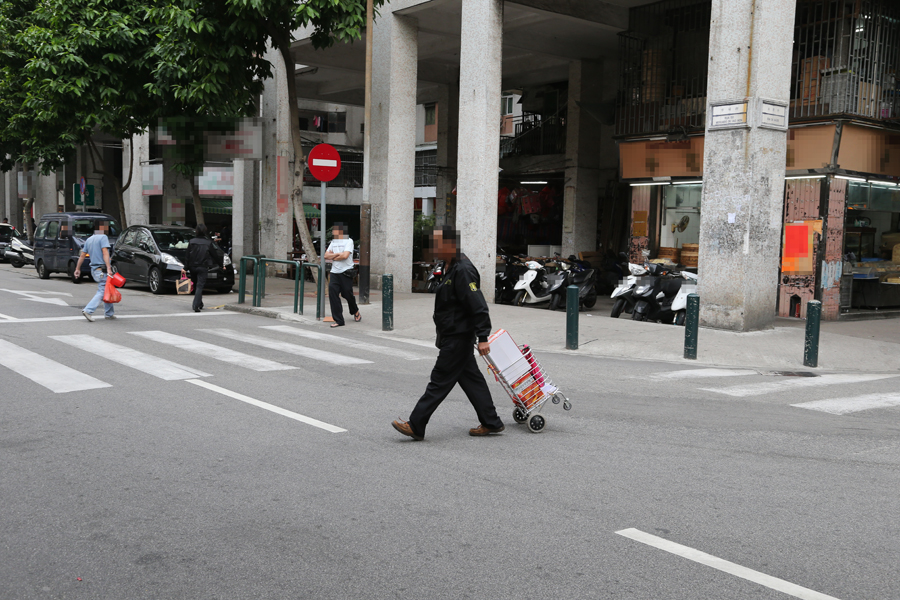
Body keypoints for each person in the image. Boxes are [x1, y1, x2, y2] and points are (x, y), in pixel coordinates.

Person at [392, 227, 504, 441]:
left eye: (437, 244)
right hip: (452, 333)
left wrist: (483, 337)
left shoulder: (463, 270)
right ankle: (491, 422)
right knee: (472, 380)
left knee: (439, 381)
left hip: (458, 336)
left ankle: (416, 425)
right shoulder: (448, 266)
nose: (434, 248)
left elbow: (478, 305)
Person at [73, 221, 115, 321]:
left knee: (106, 289)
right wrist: (109, 268)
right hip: (102, 269)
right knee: (103, 290)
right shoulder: (103, 237)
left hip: (94, 270)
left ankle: (109, 313)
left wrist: (77, 269)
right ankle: (88, 310)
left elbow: (82, 255)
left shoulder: (89, 239)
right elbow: (105, 252)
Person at [324, 222, 360, 327]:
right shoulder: (333, 242)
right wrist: (337, 254)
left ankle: (355, 310)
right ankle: (339, 320)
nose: (333, 232)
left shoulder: (349, 241)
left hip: (346, 272)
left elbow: (345, 256)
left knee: (347, 294)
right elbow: (326, 255)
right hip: (334, 272)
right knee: (333, 295)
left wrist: (333, 256)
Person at [184, 223, 224, 313]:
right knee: (200, 285)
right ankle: (196, 305)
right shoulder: (208, 242)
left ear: (196, 231)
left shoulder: (192, 241)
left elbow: (187, 256)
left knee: (196, 285)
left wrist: (185, 267)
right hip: (203, 266)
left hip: (192, 266)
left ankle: (200, 303)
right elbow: (215, 256)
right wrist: (221, 265)